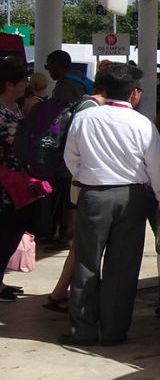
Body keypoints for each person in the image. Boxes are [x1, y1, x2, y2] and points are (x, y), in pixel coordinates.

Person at [59, 63, 160, 346]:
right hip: (132, 198)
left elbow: (71, 159)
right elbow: (157, 168)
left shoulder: (86, 118)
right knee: (123, 267)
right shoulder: (143, 124)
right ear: (133, 94)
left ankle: (82, 330)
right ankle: (114, 331)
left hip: (94, 196)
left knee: (87, 264)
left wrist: (87, 176)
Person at [44, 66, 111, 314]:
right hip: (85, 184)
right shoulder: (90, 110)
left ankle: (60, 292)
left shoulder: (87, 107)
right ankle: (65, 295)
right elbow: (77, 153)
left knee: (81, 243)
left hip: (83, 182)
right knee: (83, 244)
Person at [0, 57, 33, 301]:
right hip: (4, 182)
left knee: (13, 230)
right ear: (10, 84)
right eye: (23, 80)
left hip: (16, 182)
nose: (26, 84)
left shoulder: (16, 108)